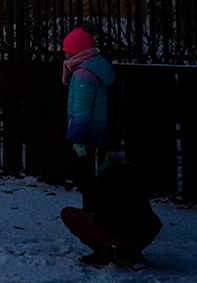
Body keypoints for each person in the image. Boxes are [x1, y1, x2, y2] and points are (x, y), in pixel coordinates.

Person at [60, 149, 162, 270]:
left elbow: (91, 207)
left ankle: (102, 253)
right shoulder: (136, 178)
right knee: (129, 218)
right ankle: (134, 255)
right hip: (145, 236)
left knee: (68, 213)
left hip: (118, 232)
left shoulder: (104, 179)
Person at [62, 24, 116, 208]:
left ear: (76, 53)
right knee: (85, 171)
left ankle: (96, 201)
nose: (65, 55)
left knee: (72, 168)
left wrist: (77, 139)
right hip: (92, 132)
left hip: (82, 135)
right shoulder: (93, 69)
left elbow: (81, 111)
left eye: (68, 51)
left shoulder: (82, 75)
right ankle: (90, 210)